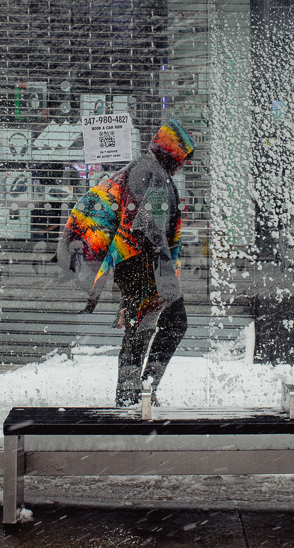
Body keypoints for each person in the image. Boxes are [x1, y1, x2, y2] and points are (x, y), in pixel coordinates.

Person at [58, 119, 195, 407]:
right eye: (183, 156)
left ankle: (134, 395)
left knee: (141, 329)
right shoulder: (152, 172)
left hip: (137, 264)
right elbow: (148, 227)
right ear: (171, 151)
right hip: (145, 264)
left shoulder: (146, 168)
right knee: (170, 324)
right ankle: (138, 393)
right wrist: (164, 276)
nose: (183, 164)